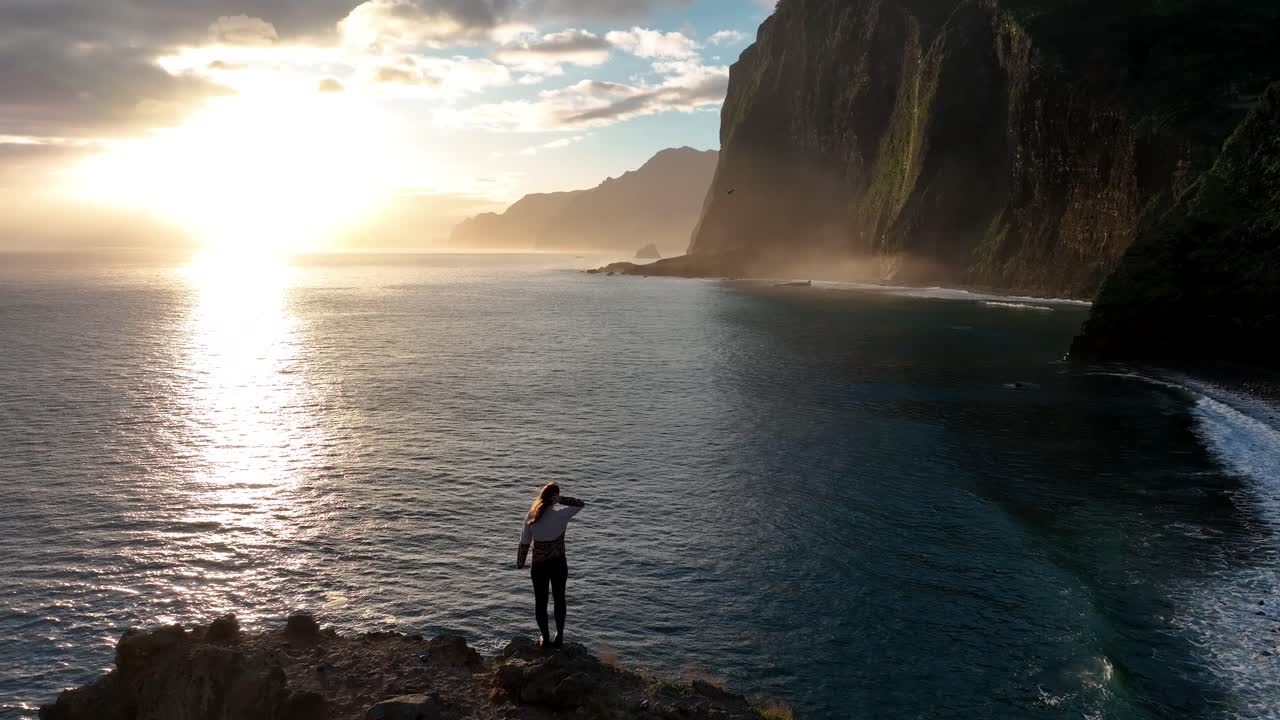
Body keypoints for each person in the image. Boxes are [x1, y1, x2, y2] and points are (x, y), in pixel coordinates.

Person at [517, 481, 586, 648]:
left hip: (539, 566)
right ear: (554, 498)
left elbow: (524, 543)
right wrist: (560, 499)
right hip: (558, 563)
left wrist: (520, 563)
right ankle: (559, 636)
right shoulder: (561, 515)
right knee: (559, 599)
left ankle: (545, 638)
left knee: (541, 602)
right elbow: (580, 504)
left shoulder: (531, 516)